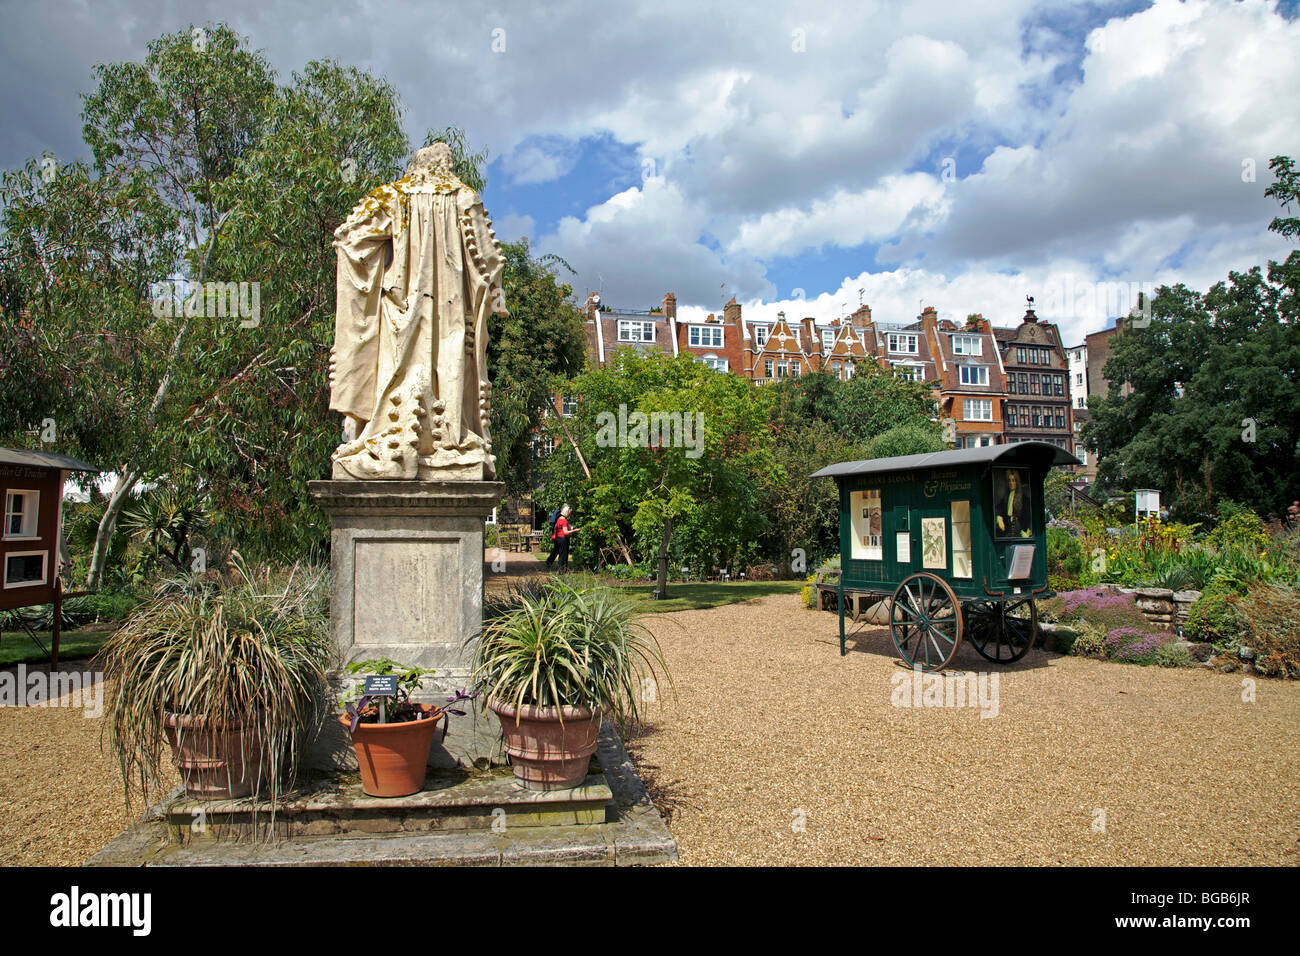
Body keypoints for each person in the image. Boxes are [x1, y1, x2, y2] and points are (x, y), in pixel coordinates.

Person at [995, 469, 1032, 538]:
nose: (1011, 483)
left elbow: (1029, 516)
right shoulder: (1006, 498)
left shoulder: (1024, 499)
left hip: (1020, 530)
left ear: (1017, 482)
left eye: (1013, 480)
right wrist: (999, 518)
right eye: (1009, 481)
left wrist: (1027, 532)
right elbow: (997, 509)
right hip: (1008, 531)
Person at [552, 504, 578, 573]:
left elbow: (556, 528)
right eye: (569, 512)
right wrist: (574, 530)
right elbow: (566, 532)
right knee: (564, 555)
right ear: (566, 512)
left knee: (561, 554)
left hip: (559, 538)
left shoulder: (559, 519)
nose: (569, 514)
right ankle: (563, 570)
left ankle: (560, 569)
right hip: (564, 539)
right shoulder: (564, 520)